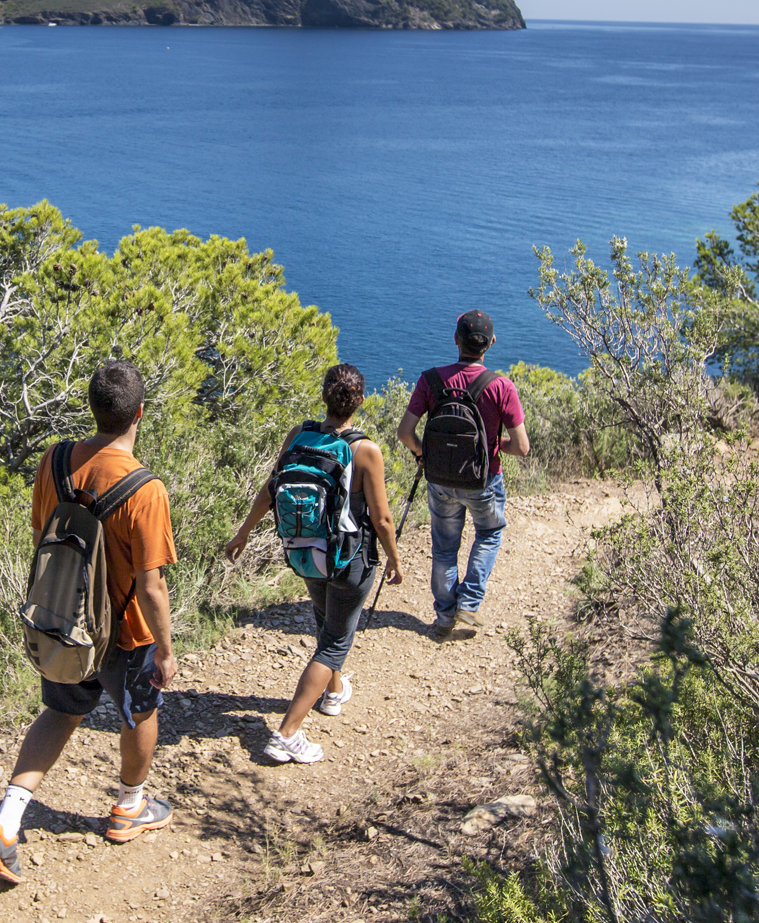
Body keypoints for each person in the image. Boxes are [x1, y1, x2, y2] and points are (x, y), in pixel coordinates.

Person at [0, 360, 179, 886]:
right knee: (139, 714)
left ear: (93, 409)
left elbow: (42, 532)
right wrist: (165, 648)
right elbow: (152, 584)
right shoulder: (144, 488)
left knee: (60, 713)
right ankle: (129, 808)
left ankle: (5, 823)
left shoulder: (55, 460)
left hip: (64, 620)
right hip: (125, 633)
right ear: (140, 413)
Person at [221, 363, 401, 764]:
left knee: (326, 620)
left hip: (305, 551)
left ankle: (333, 694)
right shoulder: (364, 450)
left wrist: (244, 534)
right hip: (349, 558)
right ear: (361, 401)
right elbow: (382, 518)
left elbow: (270, 491)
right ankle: (287, 733)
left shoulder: (298, 436)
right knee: (335, 643)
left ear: (323, 396)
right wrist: (393, 558)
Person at [397, 310, 529, 639]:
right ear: (491, 343)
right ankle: (469, 604)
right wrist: (494, 447)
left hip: (439, 478)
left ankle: (444, 615)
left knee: (444, 548)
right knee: (488, 534)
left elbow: (405, 432)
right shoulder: (502, 387)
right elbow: (523, 447)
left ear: (455, 339)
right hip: (484, 479)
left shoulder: (431, 380)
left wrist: (422, 454)